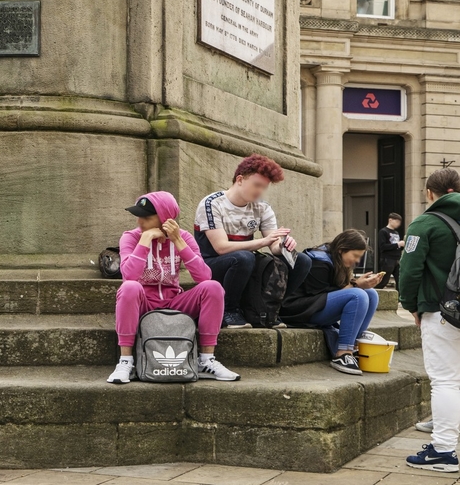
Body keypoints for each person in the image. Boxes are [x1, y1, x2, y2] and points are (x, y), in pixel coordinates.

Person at [107, 191, 240, 385]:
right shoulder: (130, 237)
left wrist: (178, 241)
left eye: (146, 217)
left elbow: (203, 276)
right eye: (138, 216)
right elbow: (128, 275)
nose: (139, 222)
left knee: (213, 287)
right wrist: (145, 239)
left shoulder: (184, 237)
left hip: (174, 303)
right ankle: (125, 362)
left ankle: (206, 360)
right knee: (130, 288)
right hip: (144, 303)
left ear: (164, 219)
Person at [194, 155, 312, 328]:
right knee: (243, 258)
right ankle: (229, 311)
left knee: (301, 260)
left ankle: (270, 309)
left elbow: (273, 246)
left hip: (243, 263)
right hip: (211, 264)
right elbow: (221, 248)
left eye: (264, 187)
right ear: (240, 179)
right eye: (257, 185)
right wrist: (264, 241)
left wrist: (283, 245)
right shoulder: (212, 203)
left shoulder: (262, 207)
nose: (260, 191)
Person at [400, 167, 460, 473]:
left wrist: (410, 304)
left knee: (447, 381)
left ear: (429, 193)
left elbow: (409, 271)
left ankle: (443, 451)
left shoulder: (425, 223)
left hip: (443, 312)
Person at [279, 229, 382, 375]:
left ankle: (354, 346)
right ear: (341, 250)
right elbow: (320, 295)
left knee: (371, 294)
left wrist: (358, 283)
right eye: (355, 256)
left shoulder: (337, 259)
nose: (357, 261)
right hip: (299, 310)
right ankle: (343, 353)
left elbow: (334, 291)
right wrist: (357, 285)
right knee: (358, 295)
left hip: (316, 306)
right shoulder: (318, 261)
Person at [378, 212, 404, 290]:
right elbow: (383, 246)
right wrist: (398, 244)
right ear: (390, 220)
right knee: (384, 281)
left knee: (400, 280)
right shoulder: (383, 231)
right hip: (387, 259)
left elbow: (397, 247)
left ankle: (400, 298)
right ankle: (376, 293)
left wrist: (402, 246)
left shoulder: (396, 232)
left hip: (397, 259)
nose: (398, 224)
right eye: (397, 221)